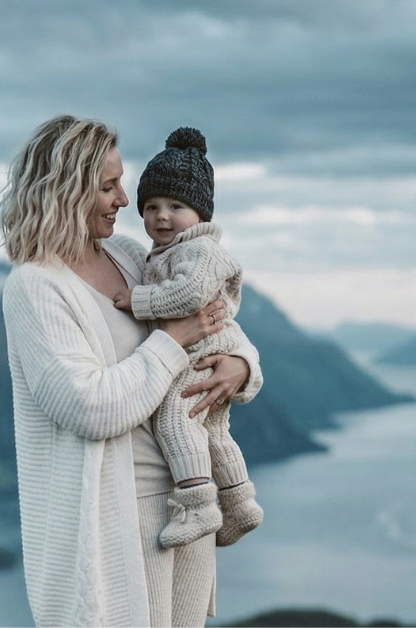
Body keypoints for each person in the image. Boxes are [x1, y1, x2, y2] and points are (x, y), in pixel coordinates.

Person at [0, 115, 263, 627]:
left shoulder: (129, 256)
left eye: (122, 183)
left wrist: (241, 365)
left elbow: (213, 320)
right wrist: (171, 340)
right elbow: (90, 408)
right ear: (66, 193)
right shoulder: (35, 287)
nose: (125, 200)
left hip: (189, 499)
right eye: (108, 186)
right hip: (119, 513)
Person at [112, 127, 263, 550]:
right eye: (152, 206)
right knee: (214, 432)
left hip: (200, 353)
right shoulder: (168, 251)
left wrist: (138, 300)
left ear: (202, 213)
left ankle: (198, 504)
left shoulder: (198, 252)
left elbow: (190, 295)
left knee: (176, 420)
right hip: (209, 350)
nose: (161, 216)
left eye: (176, 206)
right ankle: (240, 503)